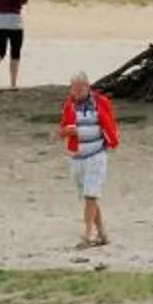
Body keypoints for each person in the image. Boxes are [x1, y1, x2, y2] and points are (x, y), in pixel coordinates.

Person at [58, 71, 116, 249]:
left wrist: (79, 132)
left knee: (91, 195)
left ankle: (87, 234)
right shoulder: (69, 105)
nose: (73, 93)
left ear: (86, 87)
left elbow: (107, 127)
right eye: (71, 89)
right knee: (88, 196)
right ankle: (102, 232)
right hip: (77, 157)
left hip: (96, 155)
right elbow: (63, 128)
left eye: (76, 89)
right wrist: (65, 133)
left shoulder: (100, 103)